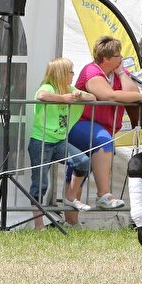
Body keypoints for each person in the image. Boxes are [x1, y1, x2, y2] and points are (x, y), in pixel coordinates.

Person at [67, 36, 142, 210]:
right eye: (118, 56)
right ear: (106, 59)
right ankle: (103, 195)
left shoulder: (118, 72)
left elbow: (132, 91)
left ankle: (71, 220)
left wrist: (122, 74)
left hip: (100, 127)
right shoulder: (91, 71)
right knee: (104, 141)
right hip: (80, 123)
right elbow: (109, 95)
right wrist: (139, 97)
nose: (121, 58)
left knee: (80, 169)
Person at [28, 58, 94, 230]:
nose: (73, 74)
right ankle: (39, 225)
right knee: (40, 184)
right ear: (61, 73)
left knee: (83, 161)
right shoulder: (48, 87)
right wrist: (63, 98)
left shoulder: (70, 89)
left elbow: (92, 97)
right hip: (41, 142)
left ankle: (70, 197)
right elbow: (42, 96)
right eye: (71, 71)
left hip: (59, 142)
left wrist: (81, 95)